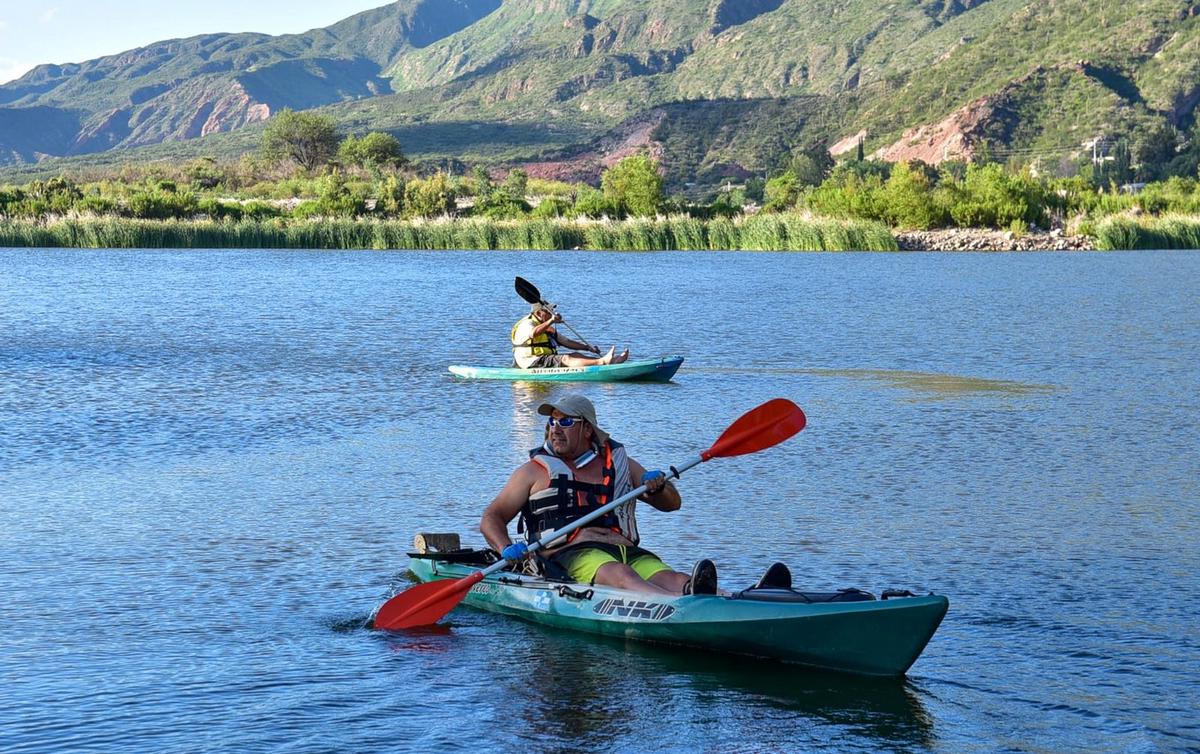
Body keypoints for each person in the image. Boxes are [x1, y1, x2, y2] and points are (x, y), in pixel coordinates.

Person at [479, 394, 718, 595]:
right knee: (621, 574)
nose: (556, 430)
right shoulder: (533, 472)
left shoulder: (621, 465)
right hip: (568, 556)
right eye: (553, 422)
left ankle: (727, 600)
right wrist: (505, 548)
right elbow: (492, 517)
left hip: (627, 552)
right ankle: (680, 609)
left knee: (675, 579)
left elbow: (672, 504)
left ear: (587, 429)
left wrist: (660, 487)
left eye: (566, 423)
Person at [511, 304, 628, 369]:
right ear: (539, 313)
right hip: (530, 361)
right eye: (549, 311)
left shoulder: (547, 327)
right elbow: (533, 333)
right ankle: (602, 362)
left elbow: (567, 342)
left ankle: (608, 361)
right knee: (565, 359)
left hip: (544, 358)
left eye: (552, 311)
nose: (552, 313)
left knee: (575, 355)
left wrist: (588, 348)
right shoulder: (527, 323)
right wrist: (551, 321)